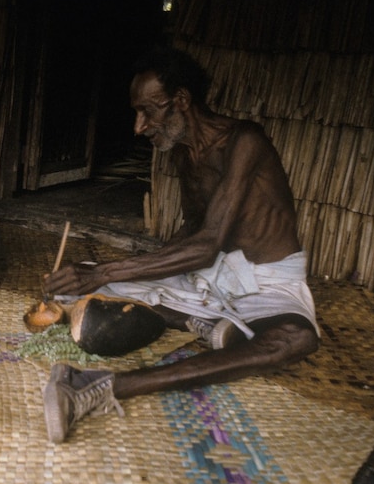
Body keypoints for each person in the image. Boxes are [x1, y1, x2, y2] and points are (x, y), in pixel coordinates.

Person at [41, 48, 320, 443]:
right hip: (208, 276)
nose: (139, 127)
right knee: (81, 281)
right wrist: (127, 268)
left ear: (182, 102)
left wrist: (106, 272)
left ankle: (96, 385)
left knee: (296, 339)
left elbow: (207, 245)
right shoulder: (186, 154)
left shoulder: (244, 141)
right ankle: (205, 323)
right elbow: (194, 230)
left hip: (265, 284)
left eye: (148, 111)